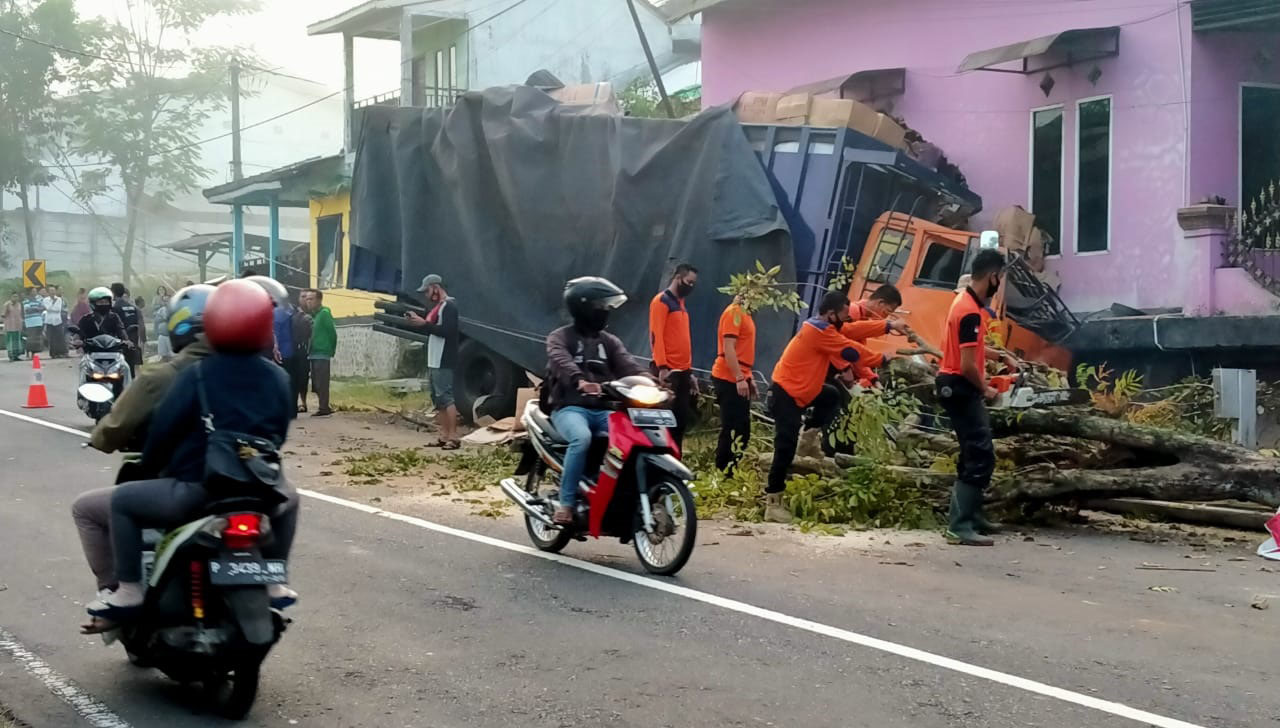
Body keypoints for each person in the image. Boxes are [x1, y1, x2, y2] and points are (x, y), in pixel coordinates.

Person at [86, 280, 299, 624]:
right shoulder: (278, 377)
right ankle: (275, 582)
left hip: (198, 490)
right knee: (292, 500)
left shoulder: (194, 375)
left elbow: (163, 433)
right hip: (259, 491)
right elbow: (278, 434)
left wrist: (153, 466)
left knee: (123, 501)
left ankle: (127, 590)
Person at [72, 285, 216, 609]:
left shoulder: (168, 378)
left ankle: (120, 591)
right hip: (251, 486)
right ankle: (275, 585)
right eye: (99, 302)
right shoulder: (253, 372)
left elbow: (135, 431)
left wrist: (102, 438)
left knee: (98, 506)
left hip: (191, 486)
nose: (103, 305)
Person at [764, 292, 882, 523]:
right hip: (785, 393)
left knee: (830, 395)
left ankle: (808, 440)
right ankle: (773, 502)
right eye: (844, 316)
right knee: (784, 449)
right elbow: (851, 350)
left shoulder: (824, 329)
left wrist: (887, 326)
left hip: (802, 391)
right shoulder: (819, 332)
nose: (846, 320)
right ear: (831, 314)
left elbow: (852, 336)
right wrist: (882, 359)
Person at [546, 277, 645, 525]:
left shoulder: (609, 342)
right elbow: (560, 360)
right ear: (583, 307)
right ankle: (566, 504)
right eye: (601, 305)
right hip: (569, 408)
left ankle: (613, 495)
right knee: (582, 439)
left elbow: (629, 366)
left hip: (602, 409)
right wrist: (579, 379)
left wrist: (653, 383)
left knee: (632, 440)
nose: (606, 311)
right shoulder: (560, 337)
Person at [937, 249, 1017, 547]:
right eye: (1000, 279)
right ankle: (959, 526)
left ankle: (972, 515)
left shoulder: (967, 303)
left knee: (976, 451)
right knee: (979, 452)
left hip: (956, 383)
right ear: (993, 276)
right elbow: (968, 364)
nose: (999, 285)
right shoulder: (969, 311)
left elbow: (971, 348)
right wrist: (986, 389)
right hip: (959, 386)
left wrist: (1003, 356)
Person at [405, 274, 460, 448]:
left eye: (427, 291)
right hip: (434, 358)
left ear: (436, 287)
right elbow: (433, 327)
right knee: (438, 399)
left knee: (446, 397)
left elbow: (447, 331)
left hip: (444, 357)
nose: (426, 295)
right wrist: (420, 322)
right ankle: (444, 435)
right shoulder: (439, 307)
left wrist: (424, 324)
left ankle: (453, 437)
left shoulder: (449, 306)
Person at [649, 263, 698, 447]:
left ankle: (675, 461)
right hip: (668, 372)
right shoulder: (661, 301)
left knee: (680, 421)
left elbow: (682, 340)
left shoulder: (681, 305)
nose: (691, 286)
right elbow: (656, 336)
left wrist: (690, 372)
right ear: (678, 278)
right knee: (665, 422)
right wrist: (662, 367)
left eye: (694, 284)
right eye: (688, 282)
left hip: (683, 372)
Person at [711, 295, 756, 473]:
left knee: (742, 430)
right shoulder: (734, 313)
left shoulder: (745, 314)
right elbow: (728, 348)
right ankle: (723, 471)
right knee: (732, 428)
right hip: (727, 376)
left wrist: (748, 378)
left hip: (740, 374)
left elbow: (743, 349)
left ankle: (731, 469)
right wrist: (739, 377)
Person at [305, 288, 336, 416]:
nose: (308, 302)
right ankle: (322, 406)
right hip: (313, 353)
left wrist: (331, 349)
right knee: (316, 382)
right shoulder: (313, 316)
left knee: (322, 382)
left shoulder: (324, 314)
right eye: (307, 299)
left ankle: (324, 408)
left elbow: (332, 333)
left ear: (319, 300)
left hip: (322, 352)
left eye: (311, 299)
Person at [110, 283, 142, 376]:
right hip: (133, 340)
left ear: (113, 293)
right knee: (131, 368)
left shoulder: (115, 308)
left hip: (122, 342)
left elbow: (114, 326)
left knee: (120, 370)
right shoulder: (132, 307)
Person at [290, 291, 314, 413]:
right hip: (295, 349)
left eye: (309, 298)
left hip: (307, 350)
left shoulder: (314, 314)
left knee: (304, 377)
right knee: (296, 376)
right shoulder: (294, 314)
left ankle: (303, 402)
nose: (306, 300)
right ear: (299, 299)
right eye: (303, 297)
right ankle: (296, 403)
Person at [43, 285, 67, 358]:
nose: (52, 292)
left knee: (59, 337)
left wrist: (51, 307)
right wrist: (52, 306)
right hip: (49, 321)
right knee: (51, 338)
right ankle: (53, 353)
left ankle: (61, 352)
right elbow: (48, 308)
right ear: (48, 292)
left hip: (57, 320)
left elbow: (58, 309)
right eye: (51, 291)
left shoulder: (59, 299)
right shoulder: (45, 300)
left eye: (53, 290)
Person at [22, 288, 44, 354]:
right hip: (30, 322)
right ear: (30, 292)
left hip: (38, 321)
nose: (35, 292)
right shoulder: (26, 301)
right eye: (33, 291)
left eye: (36, 291)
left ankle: (35, 352)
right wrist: (37, 308)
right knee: (31, 337)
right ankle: (29, 351)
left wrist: (34, 308)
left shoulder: (39, 300)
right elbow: (27, 309)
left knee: (37, 338)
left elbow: (42, 308)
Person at [153, 287, 173, 360]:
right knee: (163, 356)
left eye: (167, 300)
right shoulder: (160, 310)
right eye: (164, 300)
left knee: (172, 356)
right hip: (161, 335)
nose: (166, 302)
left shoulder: (174, 309)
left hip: (170, 336)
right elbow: (156, 320)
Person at [4, 293, 25, 361]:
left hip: (17, 325)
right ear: (11, 297)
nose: (15, 298)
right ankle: (11, 356)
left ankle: (16, 355)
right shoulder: (7, 304)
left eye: (16, 297)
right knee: (10, 341)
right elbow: (3, 314)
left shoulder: (19, 304)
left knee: (17, 341)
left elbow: (21, 314)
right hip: (10, 325)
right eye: (14, 296)